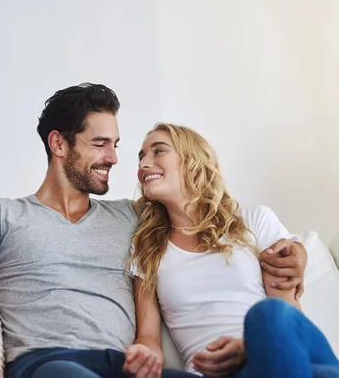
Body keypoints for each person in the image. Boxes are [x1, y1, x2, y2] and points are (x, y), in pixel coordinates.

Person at [0, 84, 305, 378]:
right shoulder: (1, 214)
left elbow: (201, 214)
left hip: (123, 365)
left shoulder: (133, 218)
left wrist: (294, 255)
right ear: (59, 144)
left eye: (117, 145)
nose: (116, 159)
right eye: (101, 144)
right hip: (49, 362)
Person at [123, 123, 338, 378]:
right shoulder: (147, 249)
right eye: (141, 157)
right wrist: (143, 358)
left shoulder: (254, 221)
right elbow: (148, 337)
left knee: (268, 314)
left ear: (192, 160)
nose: (143, 164)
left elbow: (287, 313)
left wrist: (249, 347)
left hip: (279, 352)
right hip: (213, 374)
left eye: (158, 151)